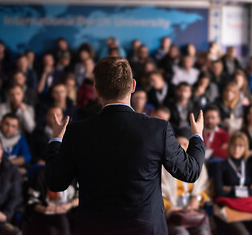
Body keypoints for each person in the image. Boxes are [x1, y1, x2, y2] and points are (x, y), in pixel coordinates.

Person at [45, 57, 205, 235]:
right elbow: (190, 171)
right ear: (133, 86)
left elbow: (56, 182)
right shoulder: (157, 129)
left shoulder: (77, 132)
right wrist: (197, 136)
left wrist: (56, 140)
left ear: (96, 90)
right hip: (145, 229)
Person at [213, 132, 252, 235]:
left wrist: (232, 190)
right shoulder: (219, 166)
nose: (237, 149)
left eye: (240, 146)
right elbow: (220, 192)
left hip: (248, 208)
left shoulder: (250, 166)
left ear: (245, 148)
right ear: (229, 146)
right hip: (229, 209)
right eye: (234, 145)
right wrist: (247, 190)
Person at [162, 129, 211, 235]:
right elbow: (159, 194)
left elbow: (206, 189)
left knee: (203, 232)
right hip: (174, 215)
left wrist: (196, 199)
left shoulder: (198, 166)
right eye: (178, 145)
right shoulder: (164, 168)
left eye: (185, 144)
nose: (182, 148)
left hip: (193, 213)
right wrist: (171, 208)